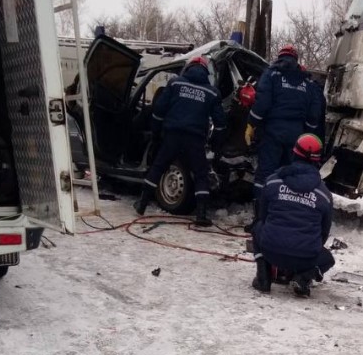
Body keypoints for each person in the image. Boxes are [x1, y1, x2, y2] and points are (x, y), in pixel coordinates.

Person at [133, 56, 226, 226]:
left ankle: (142, 203)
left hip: (172, 136)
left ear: (188, 68)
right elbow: (220, 123)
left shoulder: (175, 84)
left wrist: (156, 133)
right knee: (200, 174)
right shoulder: (212, 92)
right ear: (206, 72)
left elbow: (159, 110)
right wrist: (216, 144)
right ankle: (201, 214)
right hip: (195, 139)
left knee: (158, 167)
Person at [251, 133, 335, 297]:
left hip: (270, 250)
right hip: (305, 257)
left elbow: (263, 216)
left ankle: (263, 277)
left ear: (294, 153)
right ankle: (303, 277)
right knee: (327, 258)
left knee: (258, 227)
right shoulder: (324, 194)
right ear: (318, 160)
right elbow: (324, 232)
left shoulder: (273, 181)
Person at [245, 45, 322, 198]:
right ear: (296, 59)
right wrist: (307, 133)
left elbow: (262, 103)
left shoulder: (272, 75)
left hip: (273, 132)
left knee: (265, 174)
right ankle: (284, 209)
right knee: (289, 175)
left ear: (280, 57)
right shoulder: (308, 83)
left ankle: (261, 215)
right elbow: (314, 114)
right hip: (296, 136)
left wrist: (251, 124)